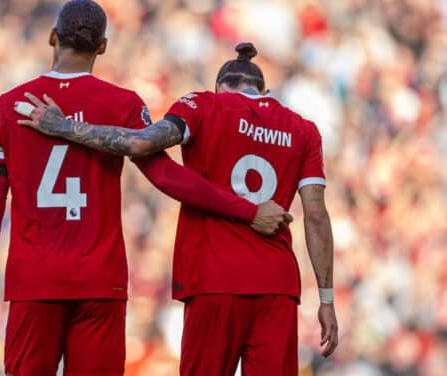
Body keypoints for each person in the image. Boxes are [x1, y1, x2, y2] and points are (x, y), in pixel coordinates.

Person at [0, 0, 291, 376]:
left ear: (52, 37)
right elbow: (168, 177)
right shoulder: (122, 103)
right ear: (103, 46)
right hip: (100, 284)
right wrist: (248, 211)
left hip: (34, 282)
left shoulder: (10, 107)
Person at [17, 42, 338, 375]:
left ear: (219, 88)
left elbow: (139, 143)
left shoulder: (202, 105)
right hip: (277, 284)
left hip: (214, 277)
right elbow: (316, 216)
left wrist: (64, 126)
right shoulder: (303, 130)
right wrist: (326, 301)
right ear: (264, 91)